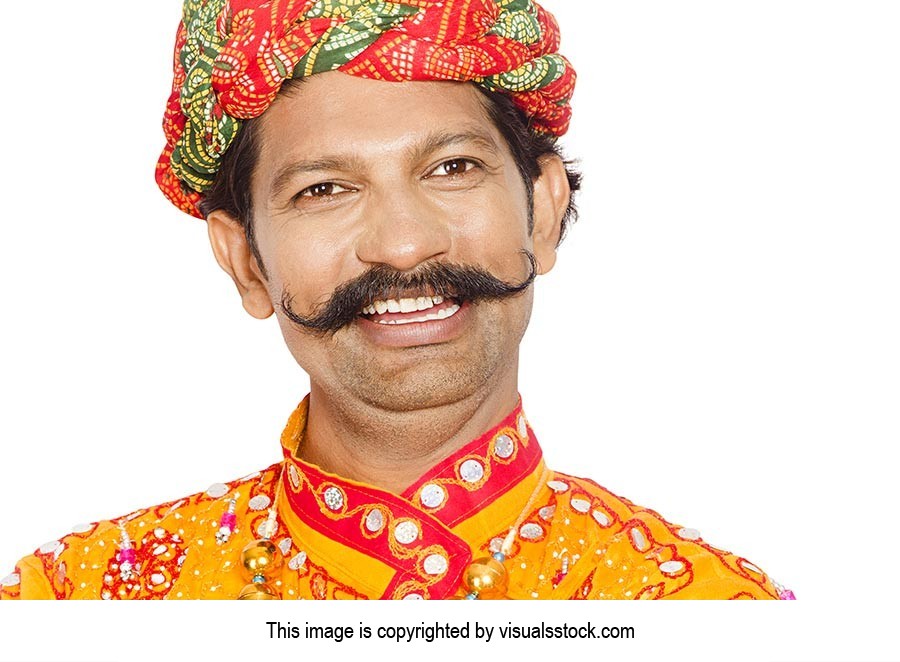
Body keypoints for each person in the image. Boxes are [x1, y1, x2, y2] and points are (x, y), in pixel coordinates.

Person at [0, 0, 790, 601]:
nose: (405, 245)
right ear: (245, 261)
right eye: (325, 189)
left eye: (452, 169)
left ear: (543, 212)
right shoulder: (74, 598)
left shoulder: (711, 607)